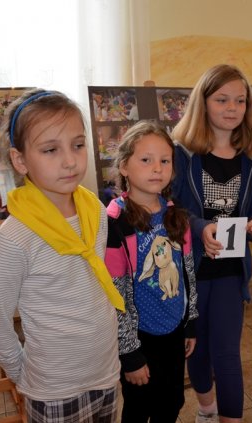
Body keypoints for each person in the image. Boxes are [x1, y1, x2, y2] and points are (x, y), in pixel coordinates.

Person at [0, 89, 124, 422]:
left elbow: (95, 288)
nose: (70, 161)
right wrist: (23, 373)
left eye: (78, 145)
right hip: (54, 389)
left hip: (105, 373)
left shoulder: (96, 211)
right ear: (20, 161)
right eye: (50, 150)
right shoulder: (14, 240)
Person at [171, 64, 252, 423]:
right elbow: (171, 209)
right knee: (197, 351)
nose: (232, 108)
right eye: (222, 99)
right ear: (203, 102)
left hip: (230, 269)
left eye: (240, 101)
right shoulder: (182, 154)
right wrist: (199, 228)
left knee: (227, 354)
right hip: (192, 270)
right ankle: (207, 409)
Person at [105, 120, 198, 422]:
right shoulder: (115, 223)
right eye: (146, 160)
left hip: (173, 330)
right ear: (124, 166)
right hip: (139, 337)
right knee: (138, 409)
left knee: (171, 403)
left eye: (165, 161)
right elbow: (115, 294)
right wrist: (129, 352)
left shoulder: (176, 215)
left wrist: (190, 322)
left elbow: (187, 273)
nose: (157, 168)